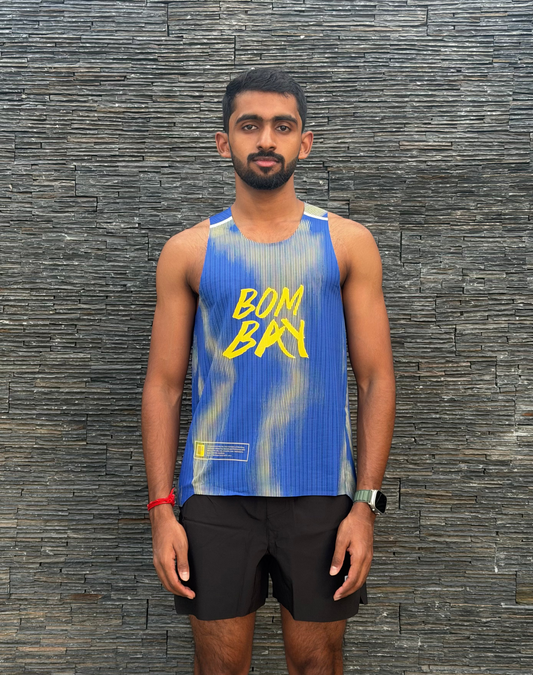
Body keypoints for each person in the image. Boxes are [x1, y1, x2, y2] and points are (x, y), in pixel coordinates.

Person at [141, 67, 396, 675]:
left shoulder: (346, 243)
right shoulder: (189, 251)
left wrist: (364, 506)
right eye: (249, 125)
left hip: (321, 493)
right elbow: (163, 386)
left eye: (283, 127)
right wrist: (161, 510)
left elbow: (376, 380)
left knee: (318, 663)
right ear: (223, 141)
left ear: (304, 142)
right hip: (216, 494)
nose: (265, 139)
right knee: (220, 667)